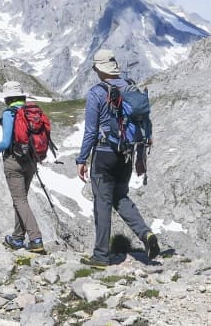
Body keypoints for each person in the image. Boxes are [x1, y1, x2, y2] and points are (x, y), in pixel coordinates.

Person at [76, 49, 160, 267]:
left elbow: (91, 131)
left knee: (102, 204)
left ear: (100, 70)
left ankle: (101, 255)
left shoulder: (96, 93)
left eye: (95, 68)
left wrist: (82, 159)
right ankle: (146, 234)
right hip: (127, 155)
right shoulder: (131, 87)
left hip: (104, 156)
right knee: (121, 197)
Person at [0, 81, 46, 254]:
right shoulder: (32, 112)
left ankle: (35, 238)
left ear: (7, 98)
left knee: (19, 200)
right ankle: (17, 238)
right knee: (21, 200)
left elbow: (5, 142)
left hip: (14, 162)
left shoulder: (9, 113)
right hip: (31, 161)